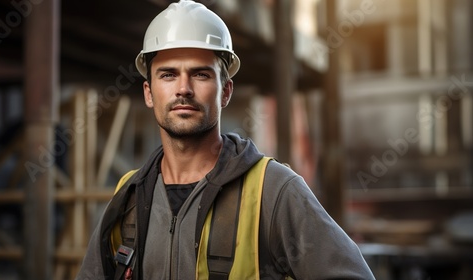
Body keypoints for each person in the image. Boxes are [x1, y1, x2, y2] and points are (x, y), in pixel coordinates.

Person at [77, 1, 375, 279]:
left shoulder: (273, 191)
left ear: (226, 92)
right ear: (148, 92)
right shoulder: (128, 195)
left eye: (200, 74)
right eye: (168, 75)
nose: (183, 89)